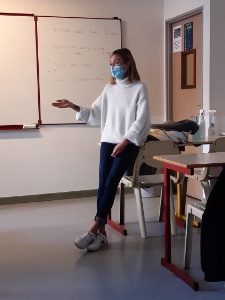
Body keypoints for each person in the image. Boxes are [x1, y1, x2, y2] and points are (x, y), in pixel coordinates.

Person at [52, 48, 151, 252]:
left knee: (112, 182)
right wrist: (74, 106)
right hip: (108, 141)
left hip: (128, 143)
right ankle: (102, 235)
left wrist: (125, 141)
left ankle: (94, 227)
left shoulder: (140, 88)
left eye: (116, 63)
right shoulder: (109, 89)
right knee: (103, 185)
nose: (113, 67)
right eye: (111, 63)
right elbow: (95, 112)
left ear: (127, 63)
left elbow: (141, 120)